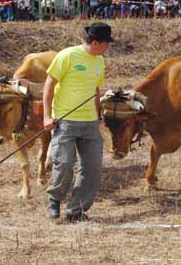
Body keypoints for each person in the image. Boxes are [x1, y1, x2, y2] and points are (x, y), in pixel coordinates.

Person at [43, 22, 111, 222]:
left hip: (89, 123)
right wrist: (47, 116)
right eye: (107, 43)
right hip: (65, 121)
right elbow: (49, 83)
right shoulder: (67, 55)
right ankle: (54, 199)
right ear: (97, 43)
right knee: (64, 163)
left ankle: (76, 210)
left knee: (93, 168)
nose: (108, 47)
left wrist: (98, 117)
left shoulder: (99, 61)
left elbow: (95, 91)